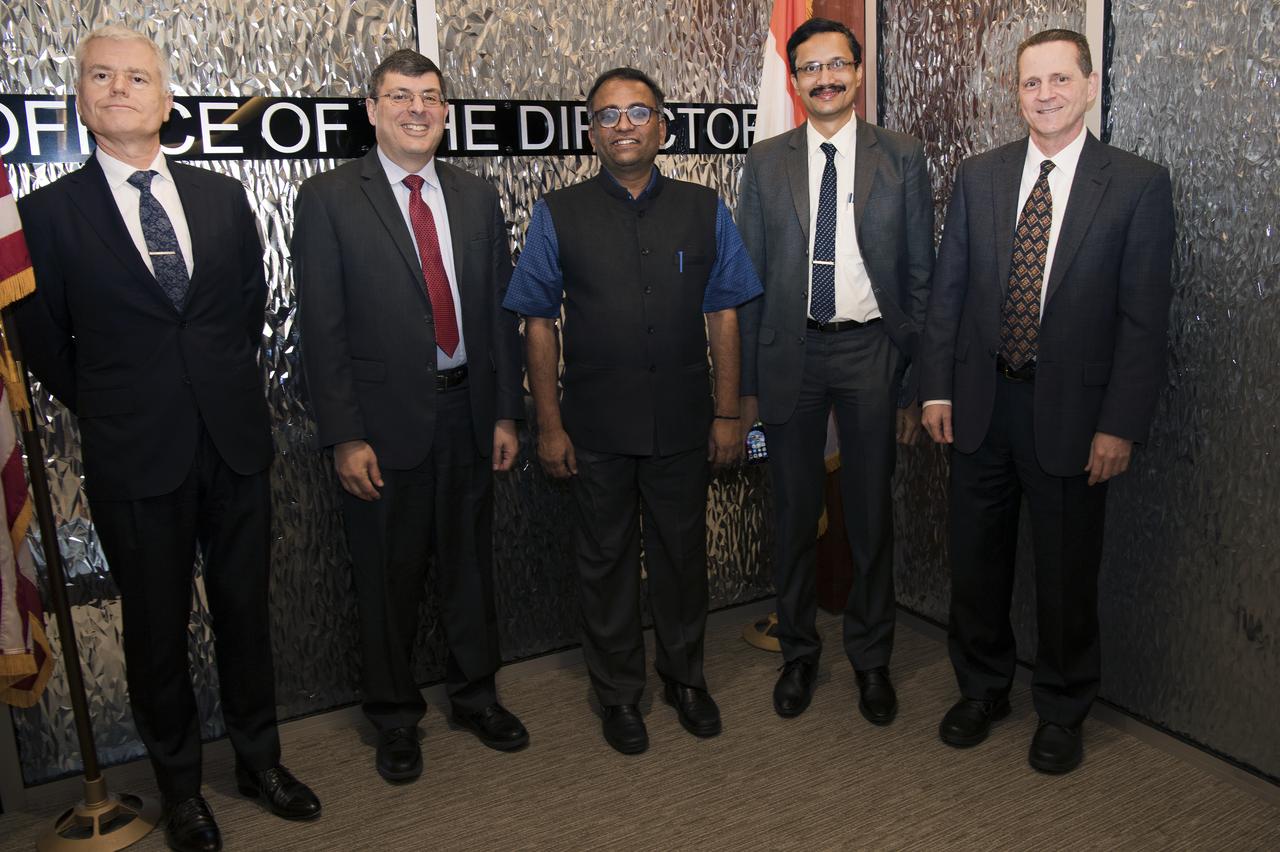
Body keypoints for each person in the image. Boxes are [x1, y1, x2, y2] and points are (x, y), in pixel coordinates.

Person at [14, 25, 319, 852]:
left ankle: (261, 761)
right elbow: (43, 341)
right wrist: (120, 404)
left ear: (166, 99)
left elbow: (241, 317)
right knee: (155, 632)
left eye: (137, 77)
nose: (119, 88)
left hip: (234, 445)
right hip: (134, 455)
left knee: (246, 615)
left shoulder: (222, 199)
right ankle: (181, 791)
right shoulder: (41, 215)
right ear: (80, 97)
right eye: (101, 76)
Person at [919, 28, 1174, 774]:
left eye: (1061, 79)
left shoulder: (1135, 184)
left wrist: (1119, 425)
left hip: (1073, 416)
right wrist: (935, 385)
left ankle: (1062, 708)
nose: (1046, 95)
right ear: (1017, 91)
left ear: (1090, 85)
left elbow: (1143, 321)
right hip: (979, 404)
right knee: (976, 563)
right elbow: (949, 292)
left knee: (1065, 575)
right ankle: (983, 689)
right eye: (1032, 83)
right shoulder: (981, 175)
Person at [503, 67, 762, 755]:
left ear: (662, 127)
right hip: (595, 428)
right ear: (591, 131)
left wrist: (729, 414)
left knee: (682, 558)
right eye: (608, 114)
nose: (623, 124)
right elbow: (537, 322)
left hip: (683, 421)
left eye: (638, 112)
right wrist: (549, 425)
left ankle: (684, 679)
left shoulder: (705, 208)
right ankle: (619, 694)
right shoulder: (558, 213)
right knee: (605, 562)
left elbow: (725, 311)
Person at [293, 49, 527, 783]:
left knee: (469, 567)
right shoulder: (330, 197)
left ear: (446, 112)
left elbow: (494, 313)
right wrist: (344, 433)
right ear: (372, 110)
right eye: (400, 96)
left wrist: (504, 412)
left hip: (467, 410)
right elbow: (321, 327)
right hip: (381, 426)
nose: (417, 109)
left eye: (430, 96)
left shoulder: (475, 194)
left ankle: (475, 696)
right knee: (386, 581)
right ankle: (394, 718)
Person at [736, 18, 934, 724]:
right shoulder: (764, 162)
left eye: (837, 65)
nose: (824, 78)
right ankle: (798, 654)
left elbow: (919, 275)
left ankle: (872, 661)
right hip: (790, 350)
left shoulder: (902, 157)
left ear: (858, 72)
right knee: (791, 514)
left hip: (871, 351)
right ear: (794, 81)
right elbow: (749, 280)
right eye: (810, 68)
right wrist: (747, 391)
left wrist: (916, 382)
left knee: (871, 517)